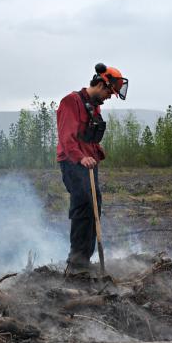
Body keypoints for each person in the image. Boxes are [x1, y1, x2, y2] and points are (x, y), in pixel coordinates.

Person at [56, 63, 128, 274]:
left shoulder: (94, 105)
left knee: (94, 202)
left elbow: (85, 135)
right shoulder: (71, 102)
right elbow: (67, 137)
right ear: (99, 83)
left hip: (88, 162)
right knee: (84, 203)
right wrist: (81, 157)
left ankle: (84, 260)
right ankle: (76, 263)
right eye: (108, 92)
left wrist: (96, 149)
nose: (108, 97)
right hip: (72, 161)